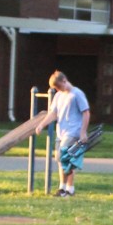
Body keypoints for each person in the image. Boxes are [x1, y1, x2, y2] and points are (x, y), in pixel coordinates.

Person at [44, 70, 89, 198]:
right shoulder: (58, 96)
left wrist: (83, 132)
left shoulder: (76, 94)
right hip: (61, 133)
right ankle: (65, 188)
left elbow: (86, 113)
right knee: (62, 160)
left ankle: (68, 188)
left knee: (63, 158)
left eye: (58, 87)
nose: (58, 90)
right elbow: (53, 113)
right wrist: (42, 124)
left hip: (73, 132)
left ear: (64, 81)